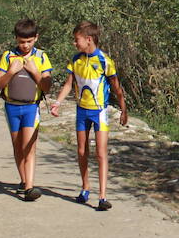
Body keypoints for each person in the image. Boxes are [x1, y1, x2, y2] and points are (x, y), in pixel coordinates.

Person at [50, 20, 127, 212]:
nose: (74, 44)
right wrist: (57, 103)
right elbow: (69, 84)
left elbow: (117, 88)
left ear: (88, 39)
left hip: (99, 111)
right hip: (81, 110)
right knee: (82, 151)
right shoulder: (76, 60)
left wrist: (124, 109)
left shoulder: (104, 61)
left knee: (101, 153)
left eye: (77, 40)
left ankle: (102, 196)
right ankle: (85, 187)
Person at [0, 18, 54, 201]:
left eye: (29, 41)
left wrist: (35, 72)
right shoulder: (8, 56)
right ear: (16, 39)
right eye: (21, 42)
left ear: (36, 38)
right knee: (18, 146)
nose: (25, 45)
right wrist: (11, 71)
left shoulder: (41, 57)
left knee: (29, 147)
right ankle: (23, 180)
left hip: (31, 108)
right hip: (12, 107)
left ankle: (30, 186)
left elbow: (47, 86)